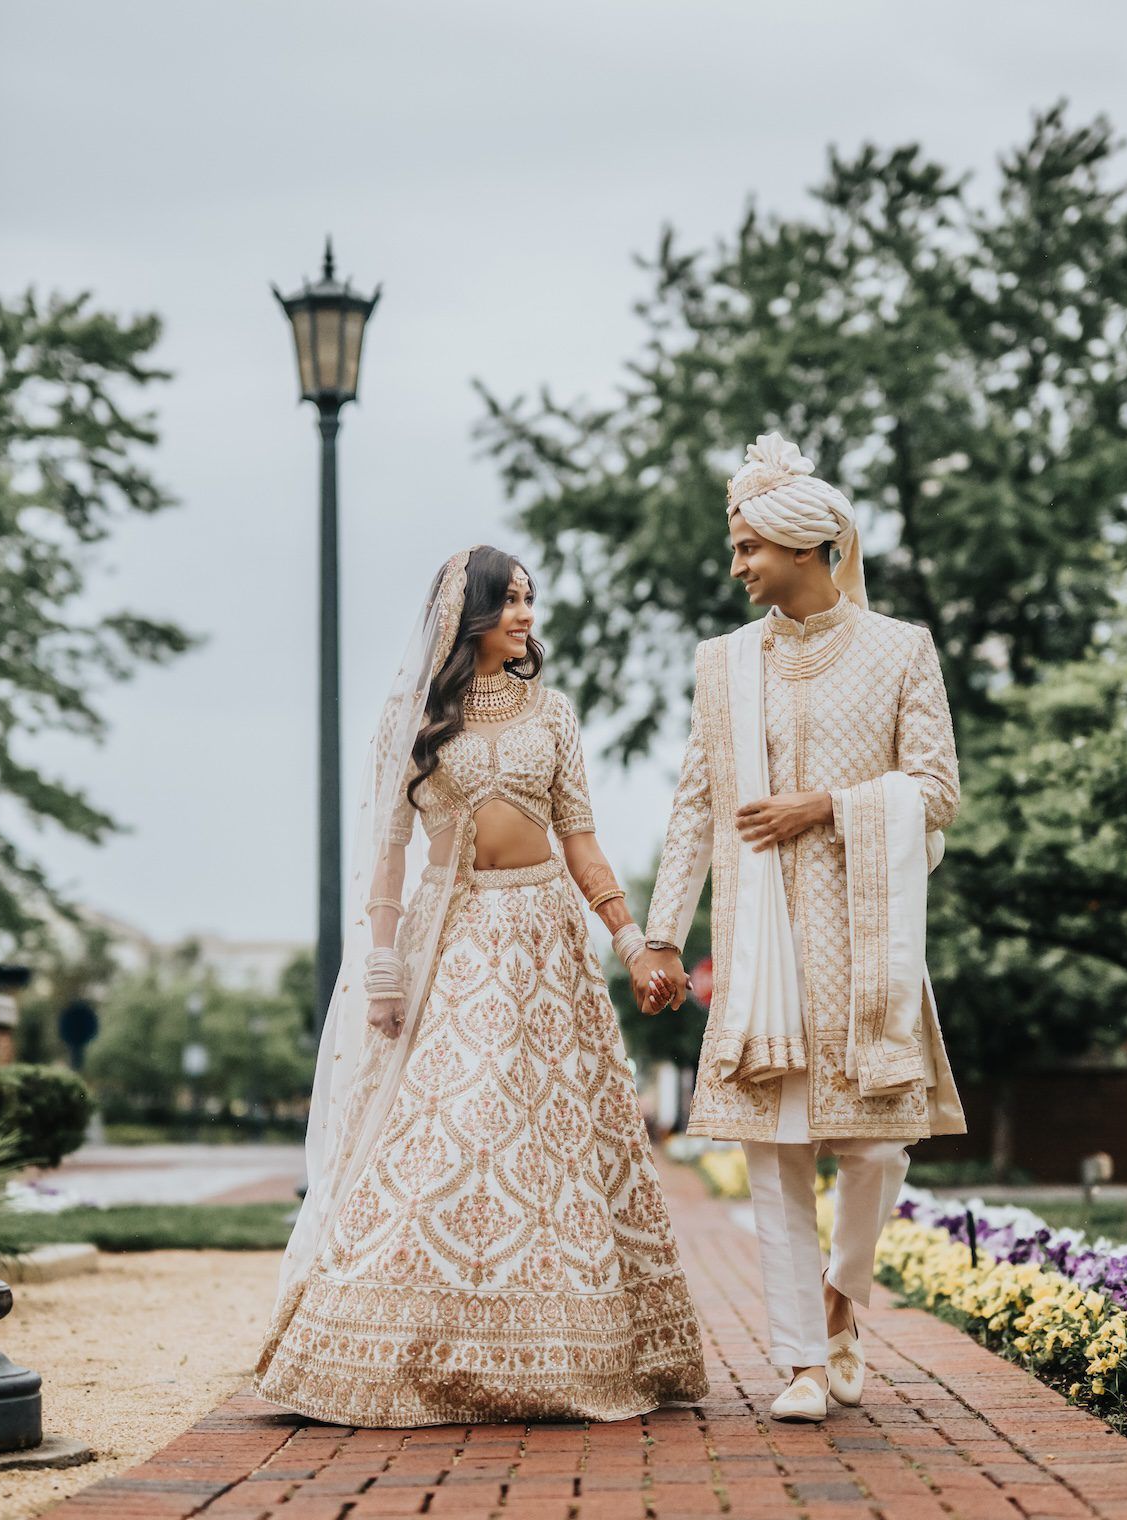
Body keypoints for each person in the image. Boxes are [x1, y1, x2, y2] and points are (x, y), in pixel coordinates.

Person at [257, 545, 707, 1427]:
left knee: (552, 1144)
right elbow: (389, 852)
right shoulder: (413, 716)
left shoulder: (553, 713)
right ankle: (397, 1343)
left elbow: (580, 837)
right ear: (467, 613)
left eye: (531, 600)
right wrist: (382, 970)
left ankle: (559, 1348)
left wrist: (630, 937)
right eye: (509, 601)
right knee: (450, 1124)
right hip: (453, 938)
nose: (525, 616)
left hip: (545, 941)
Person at [630, 434, 964, 1423]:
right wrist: (659, 933)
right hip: (762, 938)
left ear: (806, 546)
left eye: (747, 547)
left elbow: (937, 791)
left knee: (874, 1150)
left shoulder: (901, 648)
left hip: (867, 937)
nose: (736, 566)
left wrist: (824, 806)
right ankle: (802, 1361)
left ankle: (841, 1302)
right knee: (775, 1152)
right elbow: (697, 806)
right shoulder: (724, 665)